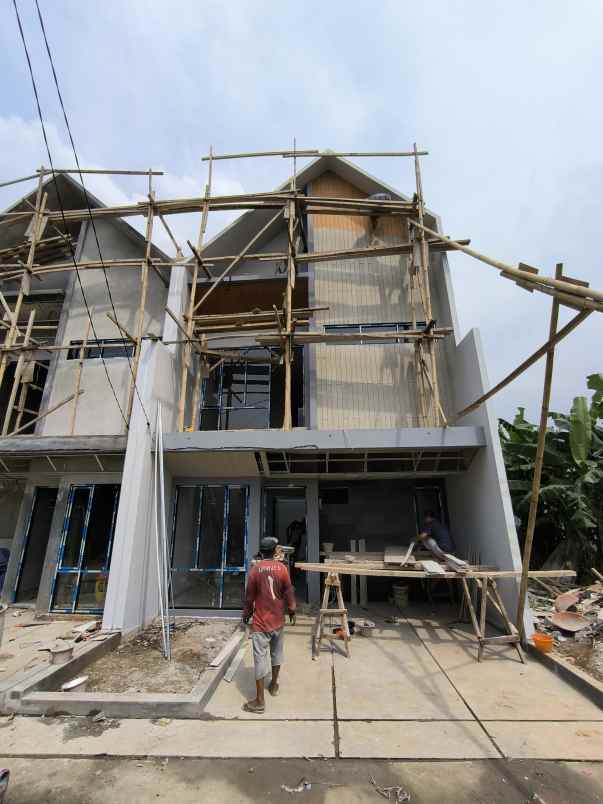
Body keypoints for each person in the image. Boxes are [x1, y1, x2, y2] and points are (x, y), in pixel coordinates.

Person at [242, 536, 296, 713]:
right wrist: (292, 609)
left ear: (261, 552)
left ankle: (259, 701)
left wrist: (246, 615)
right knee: (276, 653)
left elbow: (249, 597)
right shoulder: (282, 568)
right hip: (278, 621)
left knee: (260, 658)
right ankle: (273, 685)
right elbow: (288, 590)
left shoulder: (255, 570)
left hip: (260, 623)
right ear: (274, 552)